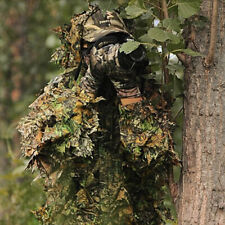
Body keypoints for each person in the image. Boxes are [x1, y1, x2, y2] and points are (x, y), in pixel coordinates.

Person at [18, 5, 178, 225]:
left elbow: (150, 160)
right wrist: (90, 84)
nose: (109, 56)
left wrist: (128, 92)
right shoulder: (61, 92)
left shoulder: (145, 92)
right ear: (84, 54)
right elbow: (52, 151)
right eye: (102, 47)